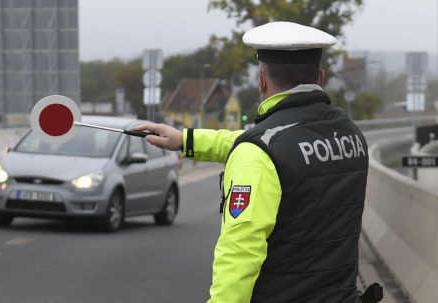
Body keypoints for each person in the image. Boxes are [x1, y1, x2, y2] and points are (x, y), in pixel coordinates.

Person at [134, 22, 371, 303]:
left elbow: (240, 255)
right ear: (320, 76)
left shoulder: (261, 151)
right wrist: (185, 140)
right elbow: (274, 145)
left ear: (262, 79)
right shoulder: (349, 135)